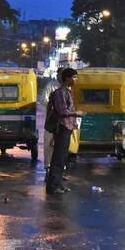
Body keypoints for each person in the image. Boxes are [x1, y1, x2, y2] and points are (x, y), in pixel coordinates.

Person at [45, 67, 79, 195]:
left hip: (67, 128)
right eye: (74, 77)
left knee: (63, 158)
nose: (76, 80)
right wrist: (77, 114)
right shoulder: (60, 93)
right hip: (62, 128)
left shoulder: (68, 92)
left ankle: (58, 183)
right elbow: (63, 111)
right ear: (67, 78)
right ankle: (52, 187)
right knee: (58, 158)